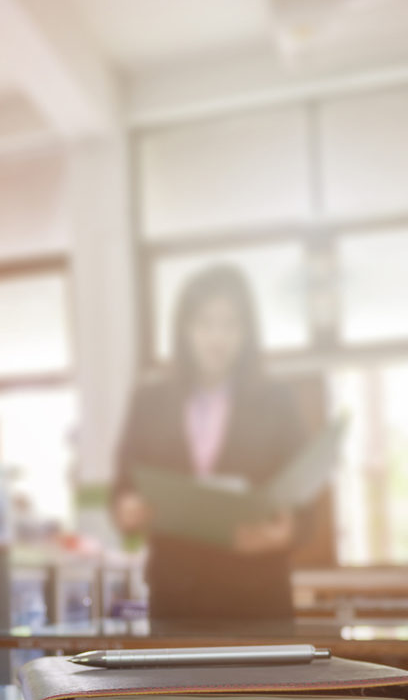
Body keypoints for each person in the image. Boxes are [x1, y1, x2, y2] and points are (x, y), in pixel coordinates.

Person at [113, 263, 305, 624]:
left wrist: (285, 532)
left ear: (247, 332)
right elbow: (123, 486)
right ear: (184, 329)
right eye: (205, 323)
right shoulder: (149, 402)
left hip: (258, 598)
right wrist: (127, 508)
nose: (217, 337)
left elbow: (306, 500)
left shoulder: (278, 401)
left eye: (230, 324)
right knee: (180, 684)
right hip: (176, 599)